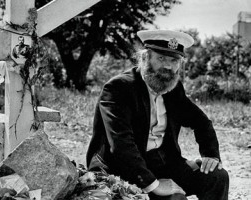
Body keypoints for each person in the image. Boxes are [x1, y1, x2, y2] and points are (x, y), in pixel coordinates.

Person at [86, 30, 229, 200]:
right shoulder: (119, 88)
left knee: (217, 176)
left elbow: (201, 122)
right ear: (145, 58)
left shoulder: (173, 88)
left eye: (174, 60)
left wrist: (210, 155)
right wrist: (154, 185)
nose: (168, 67)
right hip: (121, 169)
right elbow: (121, 145)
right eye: (161, 58)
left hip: (162, 163)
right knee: (176, 199)